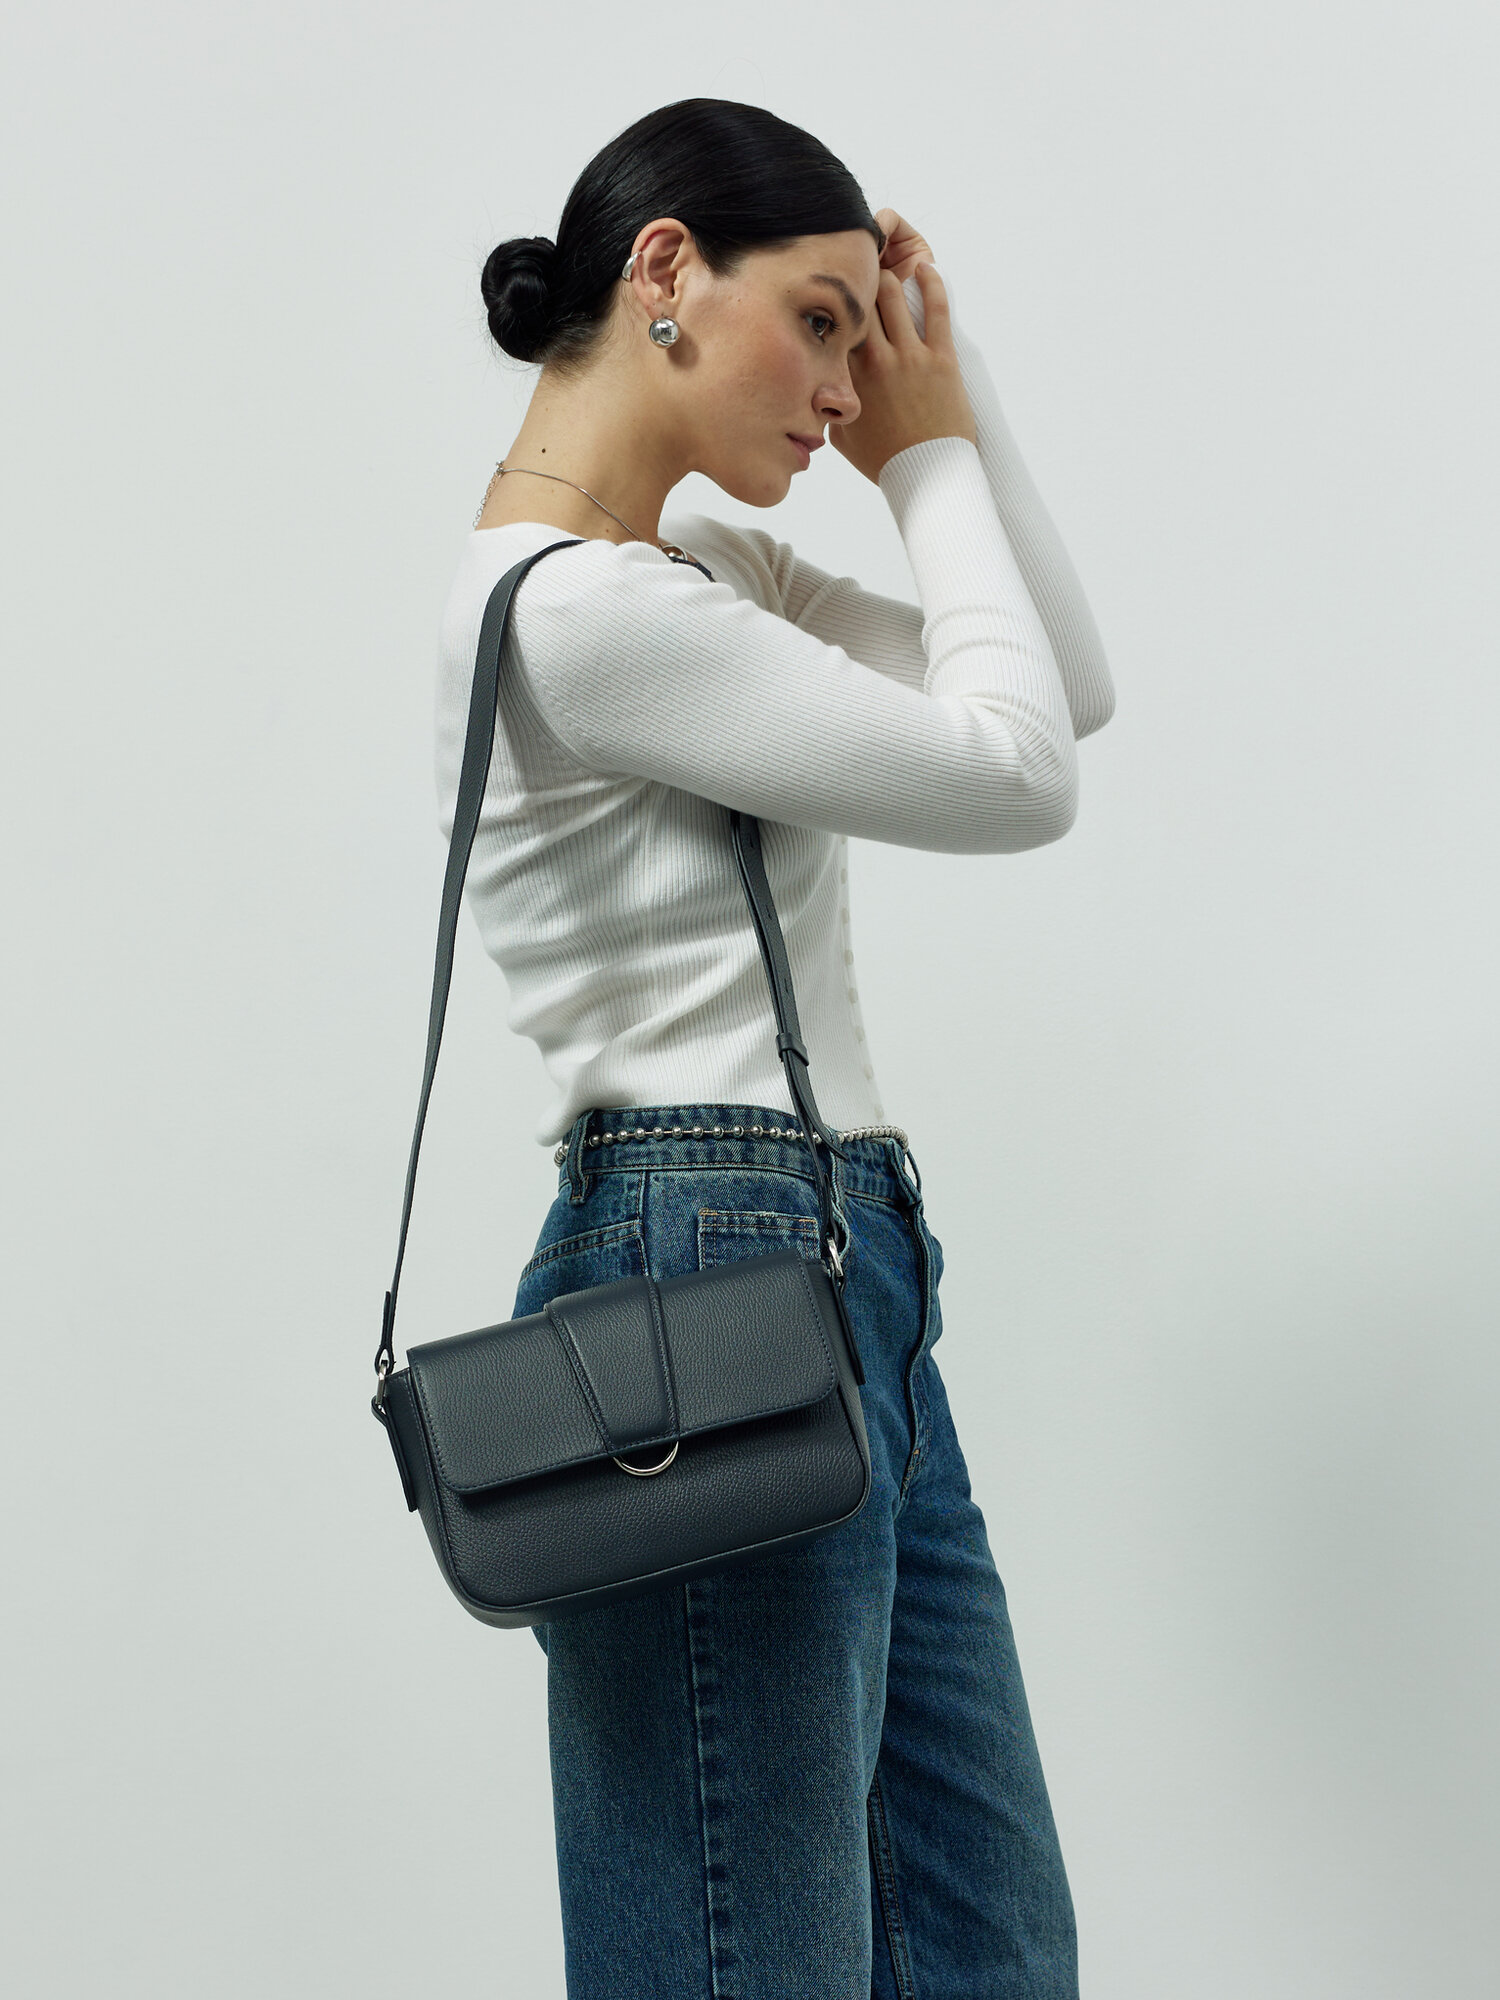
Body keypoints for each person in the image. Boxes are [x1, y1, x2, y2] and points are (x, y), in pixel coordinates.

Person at [435, 95, 1114, 2000]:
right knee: (753, 1964)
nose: (841, 385)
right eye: (820, 322)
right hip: (702, 1264)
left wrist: (945, 418)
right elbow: (1016, 778)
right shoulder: (579, 616)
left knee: (988, 1952)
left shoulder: (704, 582)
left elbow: (1063, 691)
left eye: (861, 338)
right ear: (666, 270)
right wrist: (932, 459)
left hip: (835, 1261)